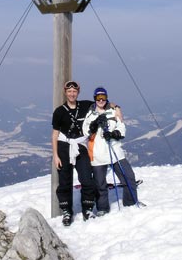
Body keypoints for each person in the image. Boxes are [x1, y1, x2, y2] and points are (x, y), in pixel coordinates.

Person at [52, 81, 123, 226]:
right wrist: (55, 155)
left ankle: (88, 208)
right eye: (69, 91)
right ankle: (67, 211)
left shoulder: (85, 106)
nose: (72, 94)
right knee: (65, 180)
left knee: (87, 179)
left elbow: (102, 102)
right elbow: (54, 134)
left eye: (74, 91)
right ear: (65, 92)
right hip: (64, 146)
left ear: (78, 92)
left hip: (80, 145)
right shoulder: (59, 111)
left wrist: (117, 107)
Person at [83, 86, 140, 215]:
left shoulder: (113, 111)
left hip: (115, 151)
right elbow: (85, 131)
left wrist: (115, 134)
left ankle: (130, 203)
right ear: (95, 98)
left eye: (103, 97)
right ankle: (102, 208)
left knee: (129, 177)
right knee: (100, 184)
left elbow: (121, 127)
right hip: (97, 153)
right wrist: (94, 124)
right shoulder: (90, 114)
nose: (101, 100)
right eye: (98, 97)